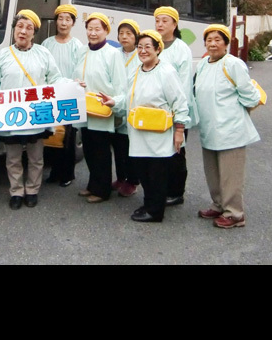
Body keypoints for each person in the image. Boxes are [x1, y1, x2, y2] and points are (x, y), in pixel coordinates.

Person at [99, 30, 190, 222]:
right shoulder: (136, 71)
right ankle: (149, 204)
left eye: (148, 47)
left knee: (156, 174)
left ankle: (155, 212)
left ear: (158, 49)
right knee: (144, 173)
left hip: (159, 134)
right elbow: (128, 97)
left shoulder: (167, 72)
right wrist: (114, 101)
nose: (142, 51)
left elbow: (180, 103)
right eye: (140, 47)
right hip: (139, 133)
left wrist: (180, 130)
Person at [0, 9, 64, 210]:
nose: (23, 31)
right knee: (12, 157)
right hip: (10, 116)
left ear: (34, 33)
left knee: (36, 156)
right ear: (14, 30)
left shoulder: (43, 53)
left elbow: (55, 80)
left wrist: (73, 86)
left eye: (29, 28)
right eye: (20, 26)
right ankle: (15, 191)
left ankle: (32, 190)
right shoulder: (4, 55)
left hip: (36, 114)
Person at [193, 24, 261, 229]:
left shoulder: (234, 64)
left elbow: (250, 96)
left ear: (225, 43)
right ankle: (218, 204)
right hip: (209, 128)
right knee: (212, 172)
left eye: (217, 40)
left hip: (231, 130)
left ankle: (235, 213)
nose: (213, 44)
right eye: (209, 40)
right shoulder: (203, 63)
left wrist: (234, 114)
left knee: (230, 175)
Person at [72, 12, 127, 204]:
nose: (93, 33)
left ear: (105, 31)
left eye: (97, 29)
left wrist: (116, 102)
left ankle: (103, 190)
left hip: (102, 109)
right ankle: (92, 184)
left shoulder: (113, 54)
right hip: (84, 108)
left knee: (101, 151)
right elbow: (75, 73)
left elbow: (120, 84)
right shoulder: (82, 51)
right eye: (90, 29)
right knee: (88, 149)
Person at [154, 6, 198, 207]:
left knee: (176, 152)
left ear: (174, 24)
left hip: (176, 110)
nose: (160, 24)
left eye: (164, 21)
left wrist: (179, 114)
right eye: (157, 21)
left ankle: (176, 192)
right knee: (159, 153)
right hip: (155, 110)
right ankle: (160, 189)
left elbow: (184, 85)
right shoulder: (154, 45)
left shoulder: (182, 49)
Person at [41, 4, 83, 187]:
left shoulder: (77, 46)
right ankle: (54, 172)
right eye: (60, 18)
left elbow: (79, 71)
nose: (63, 23)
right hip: (50, 95)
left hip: (68, 96)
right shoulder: (47, 43)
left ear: (73, 23)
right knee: (51, 134)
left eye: (68, 19)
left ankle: (67, 173)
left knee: (68, 136)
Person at [110, 19, 142, 197]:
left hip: (133, 104)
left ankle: (133, 180)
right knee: (118, 145)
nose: (124, 37)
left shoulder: (141, 55)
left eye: (129, 34)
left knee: (131, 146)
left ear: (136, 37)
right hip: (115, 103)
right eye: (121, 33)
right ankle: (121, 177)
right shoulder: (114, 53)